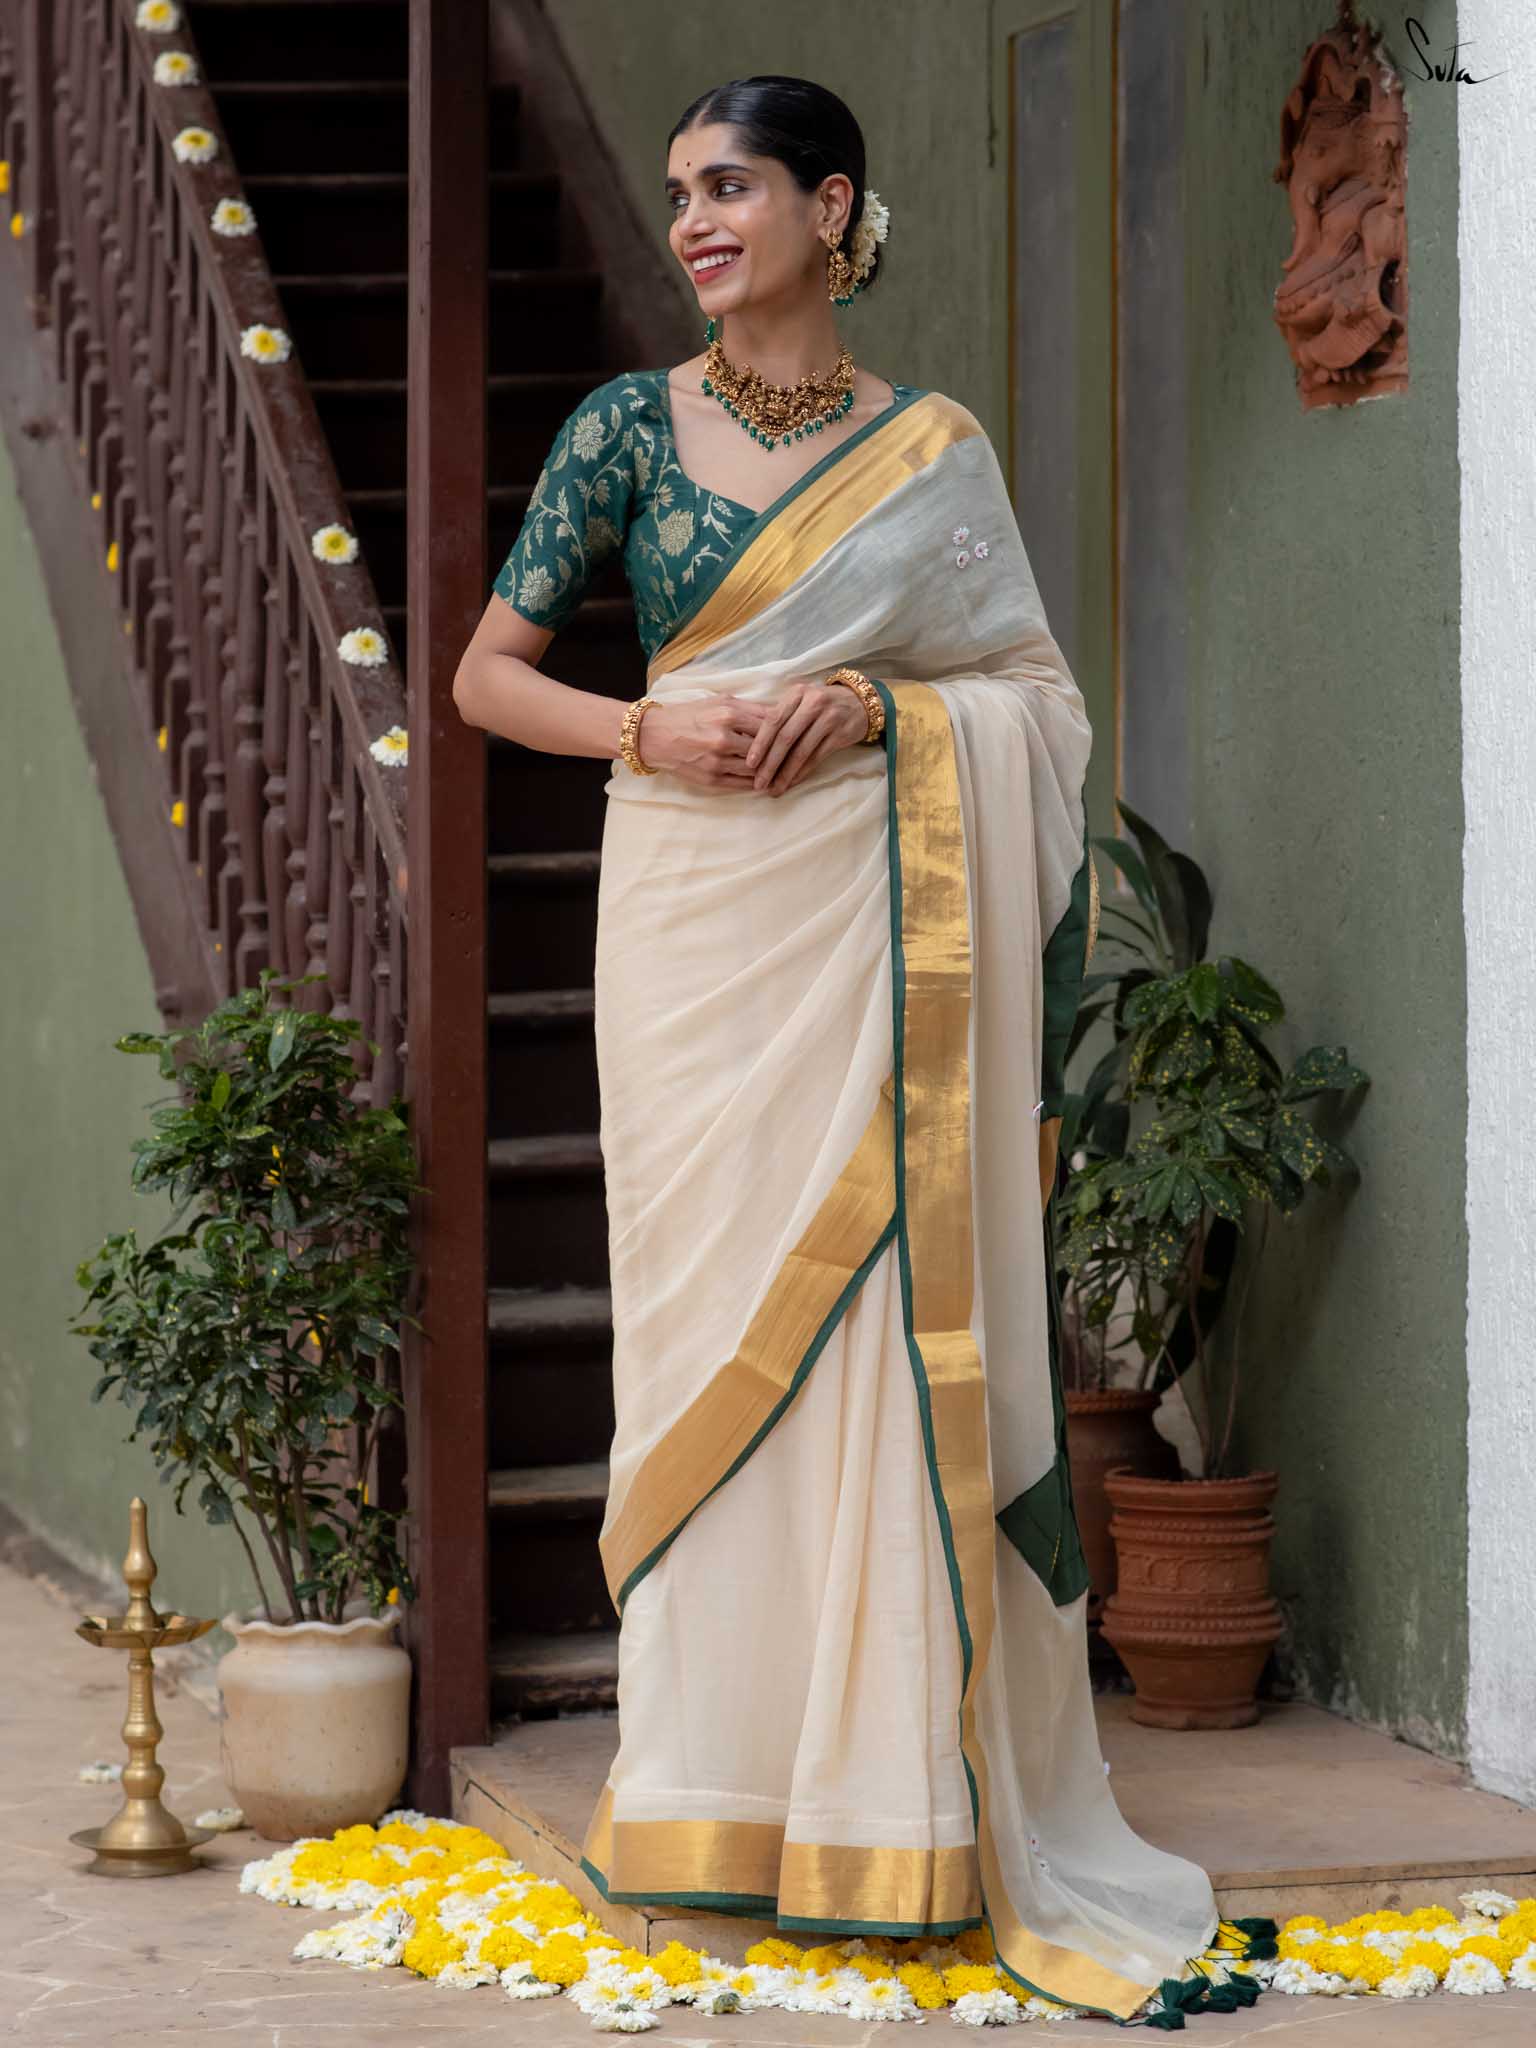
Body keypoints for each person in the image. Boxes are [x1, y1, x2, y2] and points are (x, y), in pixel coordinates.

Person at [453, 73, 1271, 2029]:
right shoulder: (622, 431)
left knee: (884, 1336)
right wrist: (650, 727)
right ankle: (716, 1788)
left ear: (834, 208)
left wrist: (893, 718)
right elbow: (484, 677)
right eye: (679, 192)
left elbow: (1034, 706)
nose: (694, 221)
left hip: (883, 940)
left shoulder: (934, 451)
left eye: (732, 186)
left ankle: (890, 1805)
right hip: (697, 936)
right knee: (705, 1342)